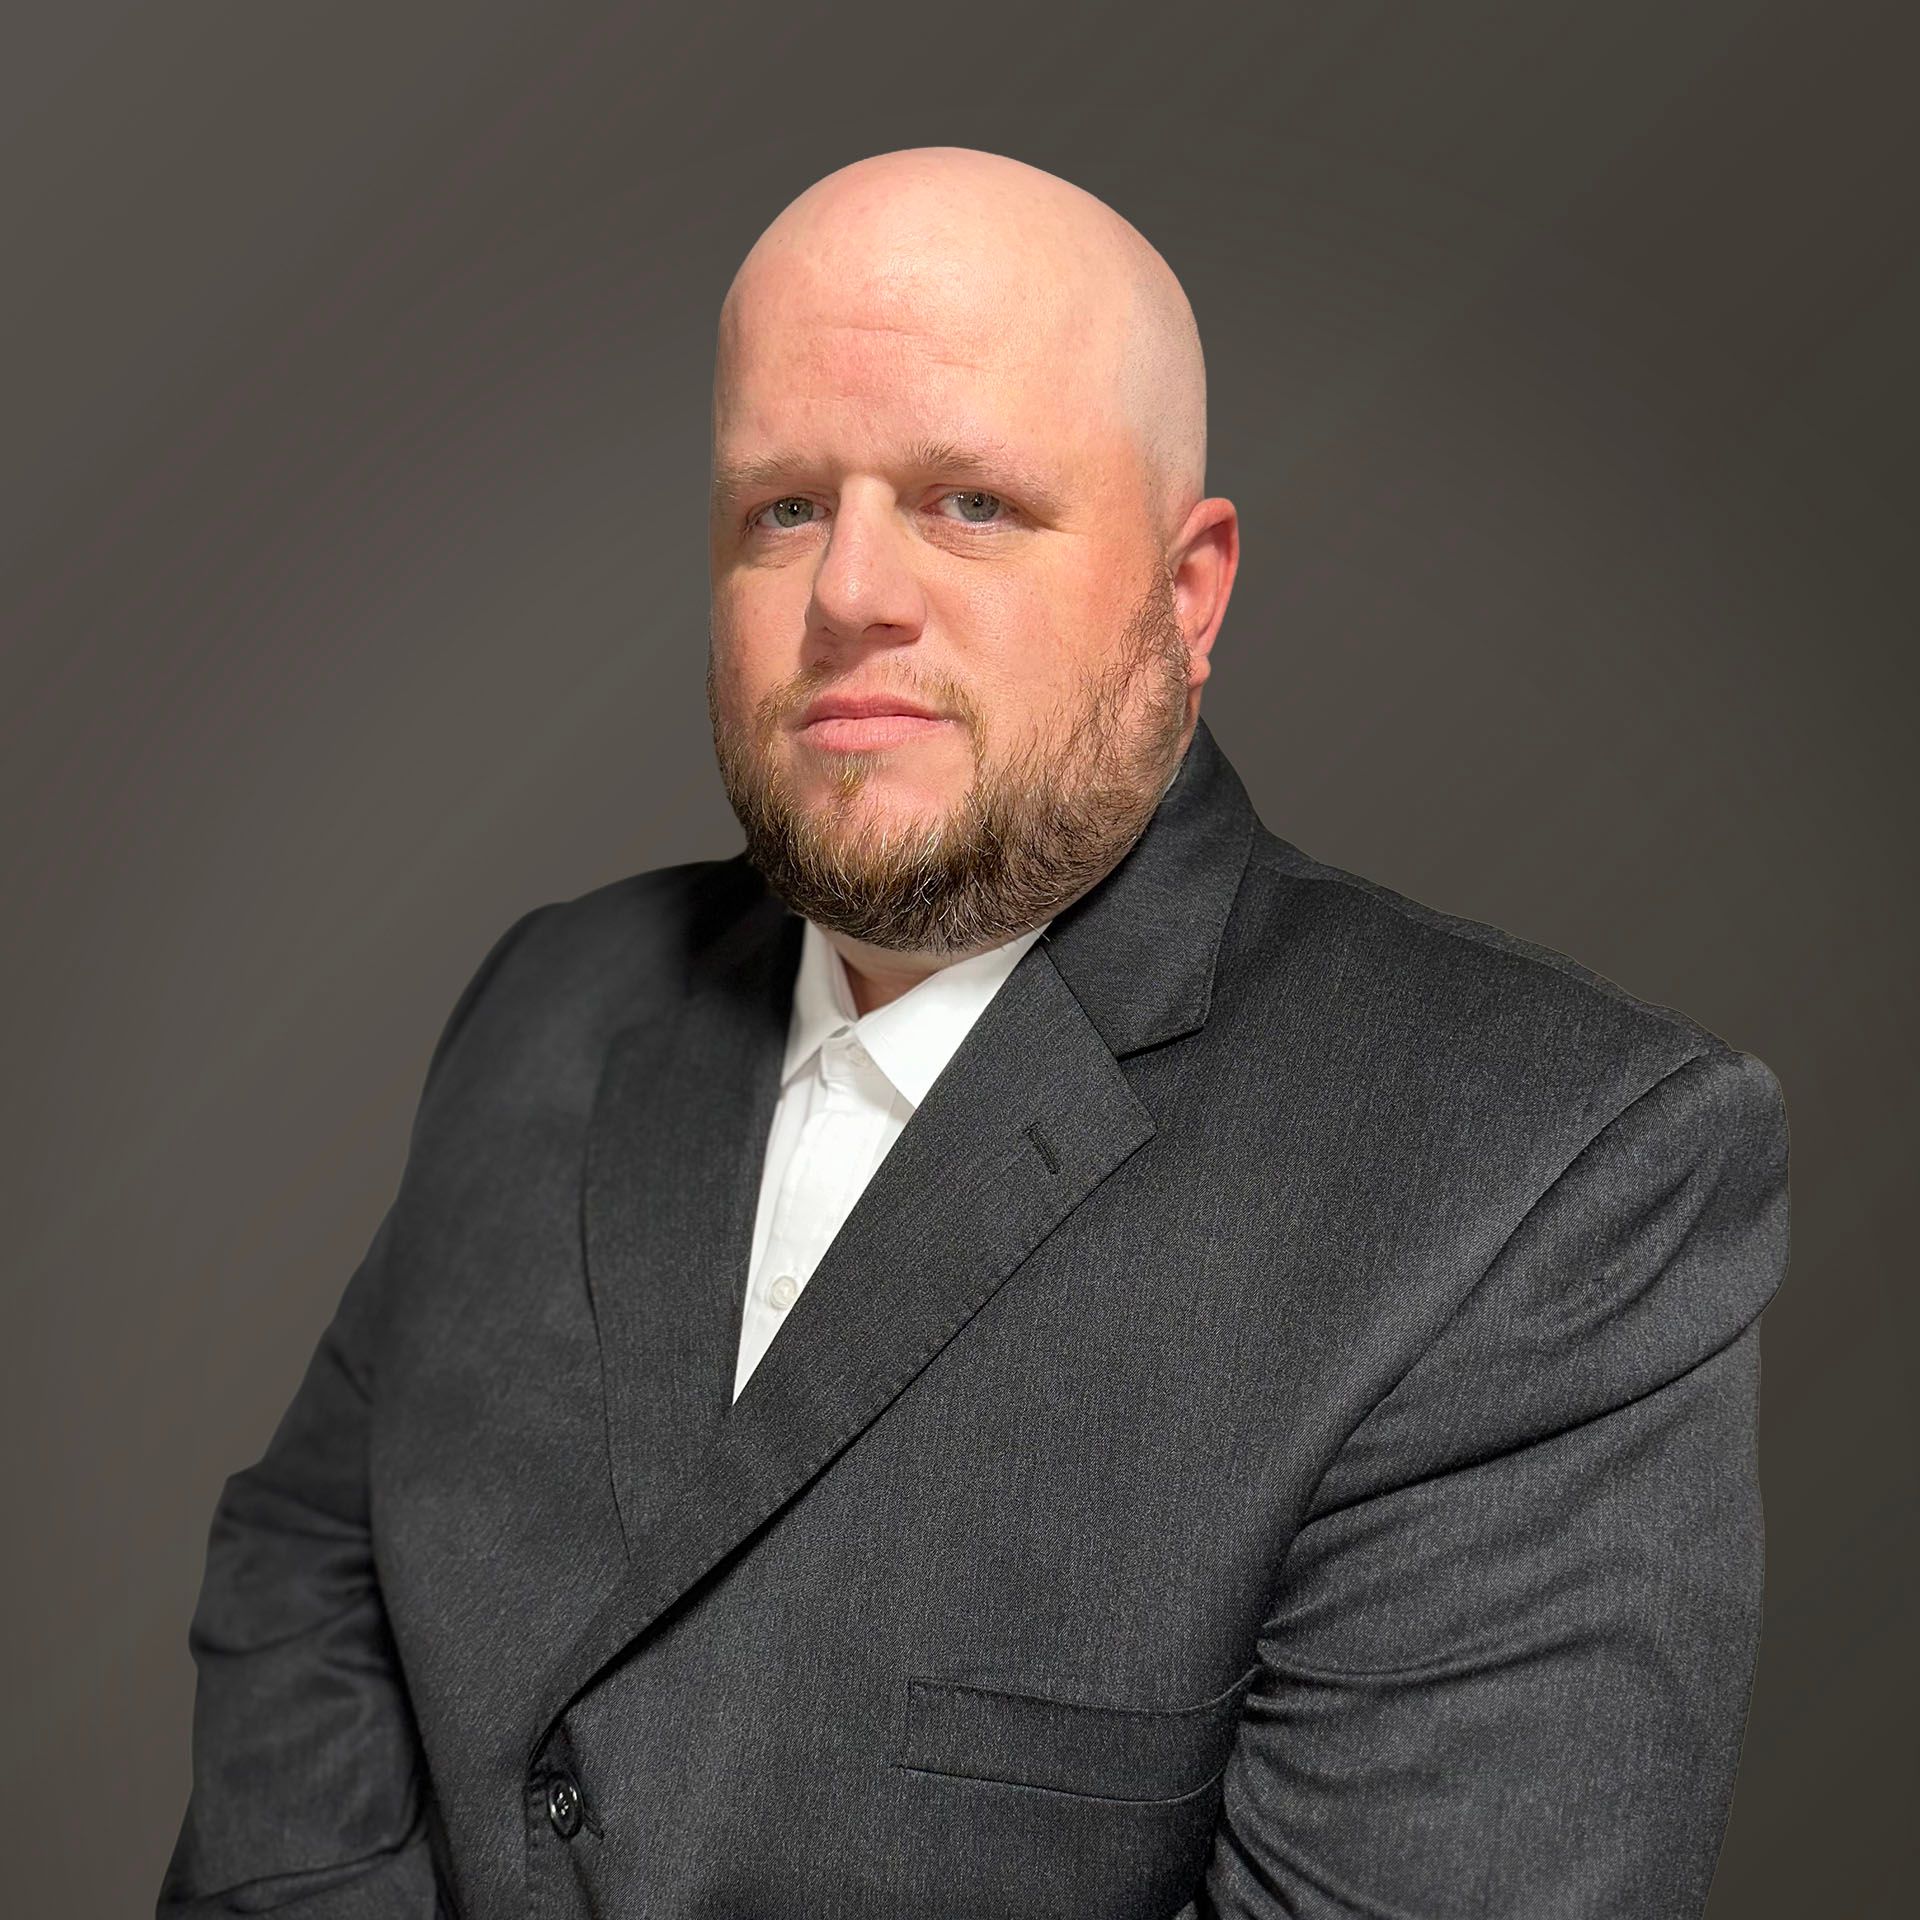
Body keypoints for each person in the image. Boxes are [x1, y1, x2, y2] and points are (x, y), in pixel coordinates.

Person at [158, 147, 1791, 1920]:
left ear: (1189, 591)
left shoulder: (1548, 1175)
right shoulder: (546, 1000)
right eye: (783, 506)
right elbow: (305, 1582)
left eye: (970, 504)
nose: (850, 591)